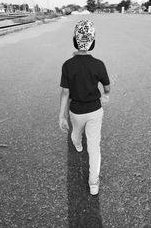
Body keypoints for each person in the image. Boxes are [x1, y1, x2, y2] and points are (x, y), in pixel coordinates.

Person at [59, 20, 110, 195]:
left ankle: (78, 145)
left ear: (75, 40)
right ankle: (93, 183)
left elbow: (65, 92)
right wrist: (106, 96)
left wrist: (61, 116)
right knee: (94, 146)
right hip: (95, 111)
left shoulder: (67, 65)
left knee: (75, 134)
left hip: (76, 112)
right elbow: (107, 87)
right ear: (92, 41)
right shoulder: (99, 64)